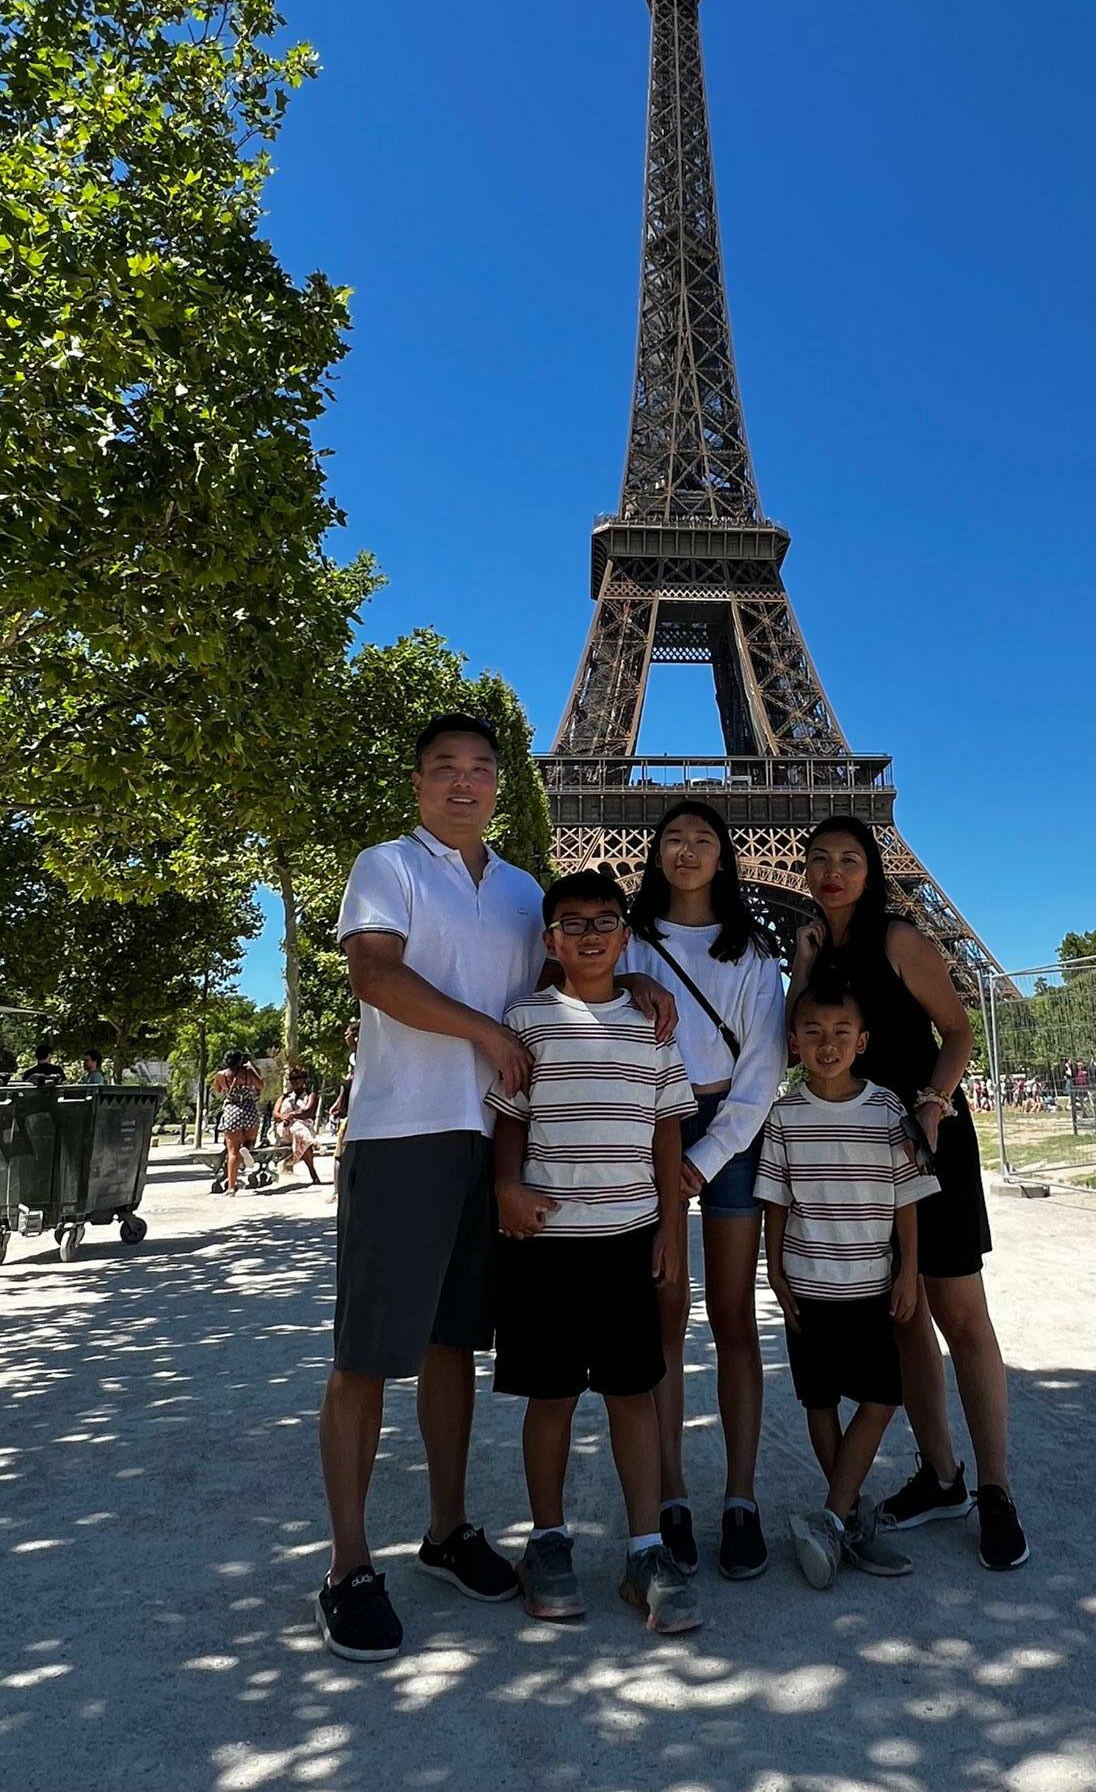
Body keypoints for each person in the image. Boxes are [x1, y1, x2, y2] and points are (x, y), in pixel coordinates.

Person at [318, 713, 675, 1664]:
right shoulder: (386, 865)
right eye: (445, 768)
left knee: (453, 1344)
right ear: (418, 783)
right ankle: (348, 1564)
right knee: (365, 1353)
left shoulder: (523, 890)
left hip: (497, 1143)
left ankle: (446, 1530)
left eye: (480, 768)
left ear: (499, 785)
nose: (464, 782)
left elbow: (576, 965)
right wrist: (486, 1032)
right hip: (404, 1132)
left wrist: (637, 984)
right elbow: (374, 973)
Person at [791, 816, 1030, 1573]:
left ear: (871, 870)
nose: (833, 870)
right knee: (904, 1317)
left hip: (926, 1141)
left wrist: (931, 1102)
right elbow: (794, 1042)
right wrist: (802, 967)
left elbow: (957, 1030)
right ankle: (942, 1475)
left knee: (961, 1314)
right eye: (819, 858)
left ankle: (996, 1489)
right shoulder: (814, 949)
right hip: (860, 1161)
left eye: (849, 858)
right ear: (804, 870)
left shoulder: (899, 938)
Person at [490, 869, 703, 1634]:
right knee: (550, 1396)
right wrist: (506, 1186)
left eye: (604, 920)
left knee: (632, 1393)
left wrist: (672, 1227)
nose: (589, 933)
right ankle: (548, 1540)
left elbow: (667, 1128)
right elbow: (512, 1114)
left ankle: (645, 1547)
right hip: (547, 1239)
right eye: (572, 923)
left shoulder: (652, 1024)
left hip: (628, 1236)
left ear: (625, 934)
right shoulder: (527, 1019)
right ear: (550, 940)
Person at [623, 800, 786, 1580]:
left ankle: (741, 1497)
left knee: (732, 1317)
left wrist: (707, 1155)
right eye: (673, 839)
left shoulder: (753, 951)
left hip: (730, 1124)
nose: (686, 851)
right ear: (655, 852)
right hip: (650, 1121)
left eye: (702, 839)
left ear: (724, 855)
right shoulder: (628, 942)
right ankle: (671, 1493)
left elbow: (762, 1070)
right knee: (663, 1313)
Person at [757, 978, 935, 1589]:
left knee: (883, 1397)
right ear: (794, 1042)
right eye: (813, 1032)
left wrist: (909, 1270)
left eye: (840, 1033)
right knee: (820, 1401)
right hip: (808, 1286)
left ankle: (832, 1518)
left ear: (862, 1042)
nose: (827, 1044)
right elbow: (775, 1199)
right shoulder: (783, 1115)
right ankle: (851, 1520)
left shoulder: (888, 1111)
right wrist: (774, 1268)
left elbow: (907, 1197)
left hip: (870, 1285)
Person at [211, 1050, 264, 1195]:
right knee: (251, 1139)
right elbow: (260, 1085)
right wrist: (252, 1069)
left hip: (231, 1111)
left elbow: (217, 1091)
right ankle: (246, 1148)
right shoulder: (247, 1072)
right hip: (248, 1109)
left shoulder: (220, 1075)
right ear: (240, 1060)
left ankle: (231, 1187)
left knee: (232, 1152)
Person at [328, 1020, 360, 1204]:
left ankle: (338, 1191)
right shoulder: (354, 1058)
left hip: (355, 1112)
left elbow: (347, 1086)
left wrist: (339, 1105)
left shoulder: (360, 1058)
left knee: (340, 1154)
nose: (345, 1036)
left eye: (348, 1033)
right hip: (353, 1109)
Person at [275, 1068, 322, 1184]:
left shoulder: (310, 1096)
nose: (295, 1081)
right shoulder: (284, 1097)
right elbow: (275, 1113)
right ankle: (314, 1145)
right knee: (299, 1131)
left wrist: (293, 1115)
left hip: (303, 1127)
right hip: (285, 1129)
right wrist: (284, 1117)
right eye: (292, 1079)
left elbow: (308, 1112)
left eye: (298, 1078)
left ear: (304, 1079)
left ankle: (302, 1158)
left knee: (299, 1130)